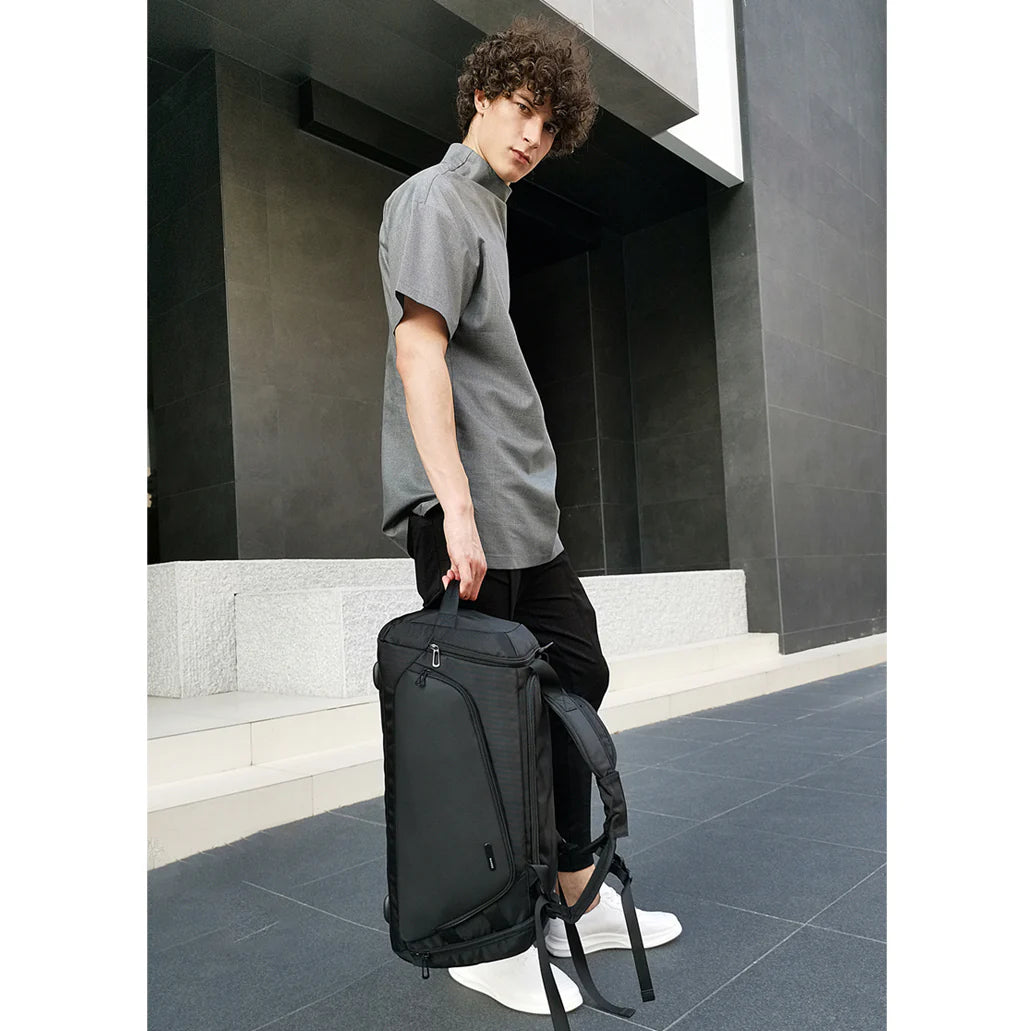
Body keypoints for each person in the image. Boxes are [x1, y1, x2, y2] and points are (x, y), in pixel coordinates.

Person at [377, 14, 681, 1017]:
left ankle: (568, 889)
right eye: (520, 110)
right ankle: (483, 933)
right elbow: (417, 350)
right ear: (481, 95)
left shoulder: (489, 211)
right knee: (481, 724)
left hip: (521, 514)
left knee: (573, 672)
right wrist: (455, 510)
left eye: (549, 127)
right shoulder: (434, 198)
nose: (531, 137)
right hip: (469, 513)